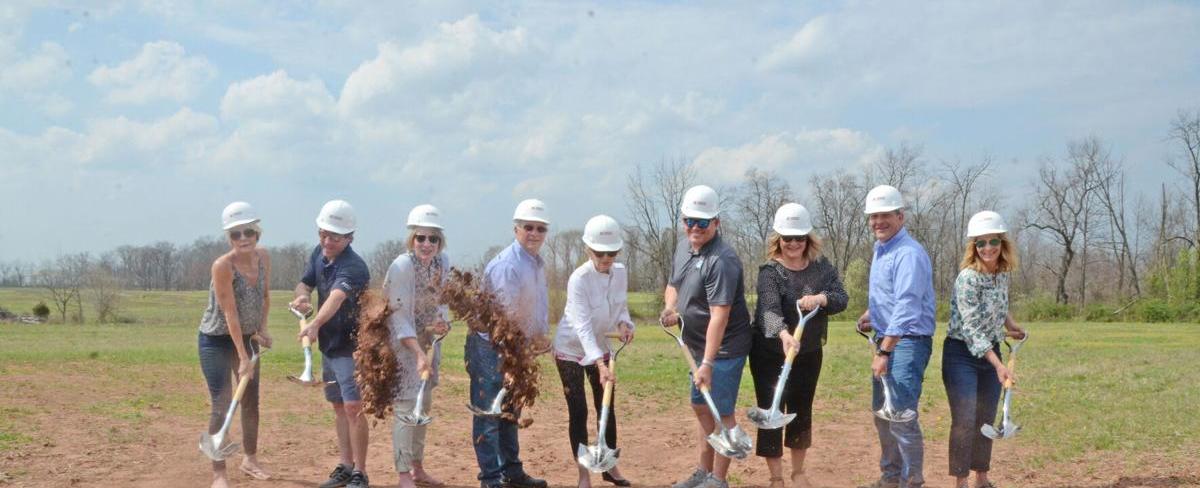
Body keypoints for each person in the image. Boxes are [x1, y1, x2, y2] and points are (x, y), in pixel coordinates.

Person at [661, 185, 753, 488]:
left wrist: (708, 362)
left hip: (724, 348)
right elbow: (674, 283)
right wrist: (670, 307)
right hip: (696, 346)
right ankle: (703, 470)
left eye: (702, 222)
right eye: (689, 220)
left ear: (717, 222)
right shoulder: (683, 246)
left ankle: (718, 479)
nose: (694, 228)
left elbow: (720, 316)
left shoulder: (722, 260)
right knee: (700, 405)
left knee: (720, 409)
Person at [750, 203, 848, 488]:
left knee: (801, 408)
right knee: (771, 409)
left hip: (808, 352)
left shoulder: (821, 268)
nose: (793, 243)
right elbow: (768, 309)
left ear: (808, 239)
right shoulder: (770, 271)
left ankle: (798, 472)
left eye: (799, 237)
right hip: (770, 352)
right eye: (787, 238)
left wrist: (820, 299)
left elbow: (841, 297)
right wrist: (783, 334)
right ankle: (776, 477)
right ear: (778, 239)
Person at [467, 198, 552, 488]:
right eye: (528, 227)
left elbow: (535, 306)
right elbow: (505, 320)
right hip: (492, 348)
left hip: (518, 348)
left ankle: (512, 472)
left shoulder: (537, 263)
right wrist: (515, 355)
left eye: (540, 229)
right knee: (490, 412)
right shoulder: (507, 265)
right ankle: (491, 479)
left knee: (510, 411)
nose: (534, 234)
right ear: (516, 229)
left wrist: (540, 335)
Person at [855, 185, 936, 488]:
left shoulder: (908, 253)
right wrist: (871, 313)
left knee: (900, 414)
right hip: (888, 336)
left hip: (907, 342)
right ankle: (891, 477)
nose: (878, 222)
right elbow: (891, 295)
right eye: (873, 217)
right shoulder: (883, 249)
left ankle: (911, 481)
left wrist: (885, 350)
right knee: (883, 413)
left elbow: (907, 304)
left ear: (900, 216)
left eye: (885, 215)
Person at [290, 199, 372, 488]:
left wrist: (314, 323)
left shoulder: (354, 267)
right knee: (338, 406)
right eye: (322, 234)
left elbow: (336, 297)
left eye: (334, 237)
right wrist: (302, 297)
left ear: (349, 238)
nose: (326, 241)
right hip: (329, 345)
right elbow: (305, 283)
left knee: (353, 407)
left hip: (351, 347)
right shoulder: (319, 253)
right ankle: (345, 466)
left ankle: (361, 472)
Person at [942, 211, 1027, 488]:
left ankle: (982, 477)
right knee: (965, 418)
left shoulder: (1001, 275)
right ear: (973, 247)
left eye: (993, 242)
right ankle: (961, 481)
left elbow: (999, 307)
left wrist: (1011, 326)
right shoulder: (968, 278)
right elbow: (972, 329)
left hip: (990, 353)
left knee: (986, 416)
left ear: (1003, 244)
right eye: (981, 243)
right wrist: (999, 365)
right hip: (961, 355)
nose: (987, 248)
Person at [553, 215, 635, 488]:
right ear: (588, 250)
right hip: (570, 349)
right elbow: (583, 327)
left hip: (601, 345)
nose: (605, 258)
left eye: (611, 253)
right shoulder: (579, 279)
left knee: (606, 407)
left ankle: (609, 467)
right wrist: (599, 365)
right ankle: (583, 473)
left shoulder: (620, 272)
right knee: (579, 411)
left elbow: (620, 306)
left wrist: (625, 323)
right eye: (599, 253)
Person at [198, 201, 273, 488]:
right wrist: (243, 358)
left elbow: (264, 297)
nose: (243, 238)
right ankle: (219, 474)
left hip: (248, 338)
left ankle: (250, 460)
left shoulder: (264, 257)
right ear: (228, 238)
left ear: (257, 233)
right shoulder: (222, 266)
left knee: (251, 401)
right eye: (235, 234)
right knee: (221, 402)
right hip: (216, 340)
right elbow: (229, 313)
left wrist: (261, 330)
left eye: (248, 232)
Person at [384, 204, 453, 488]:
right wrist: (417, 353)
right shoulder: (401, 267)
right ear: (411, 239)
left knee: (423, 405)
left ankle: (417, 468)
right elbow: (398, 316)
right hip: (403, 346)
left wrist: (441, 324)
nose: (426, 244)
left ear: (440, 241)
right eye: (420, 238)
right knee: (405, 407)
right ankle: (403, 475)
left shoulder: (442, 262)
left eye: (432, 238)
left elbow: (443, 302)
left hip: (428, 344)